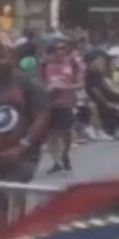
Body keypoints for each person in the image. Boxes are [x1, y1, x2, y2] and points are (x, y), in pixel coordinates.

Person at [0, 39, 50, 239]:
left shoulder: (28, 82)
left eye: (2, 57)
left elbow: (43, 116)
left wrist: (23, 146)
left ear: (12, 58)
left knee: (14, 196)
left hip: (21, 153)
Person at [40, 37, 86, 174]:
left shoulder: (73, 64)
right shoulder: (45, 64)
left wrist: (65, 87)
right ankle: (57, 162)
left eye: (62, 48)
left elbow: (81, 84)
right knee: (51, 133)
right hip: (49, 103)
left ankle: (65, 153)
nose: (59, 52)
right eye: (56, 49)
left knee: (67, 132)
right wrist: (47, 88)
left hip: (66, 102)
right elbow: (39, 82)